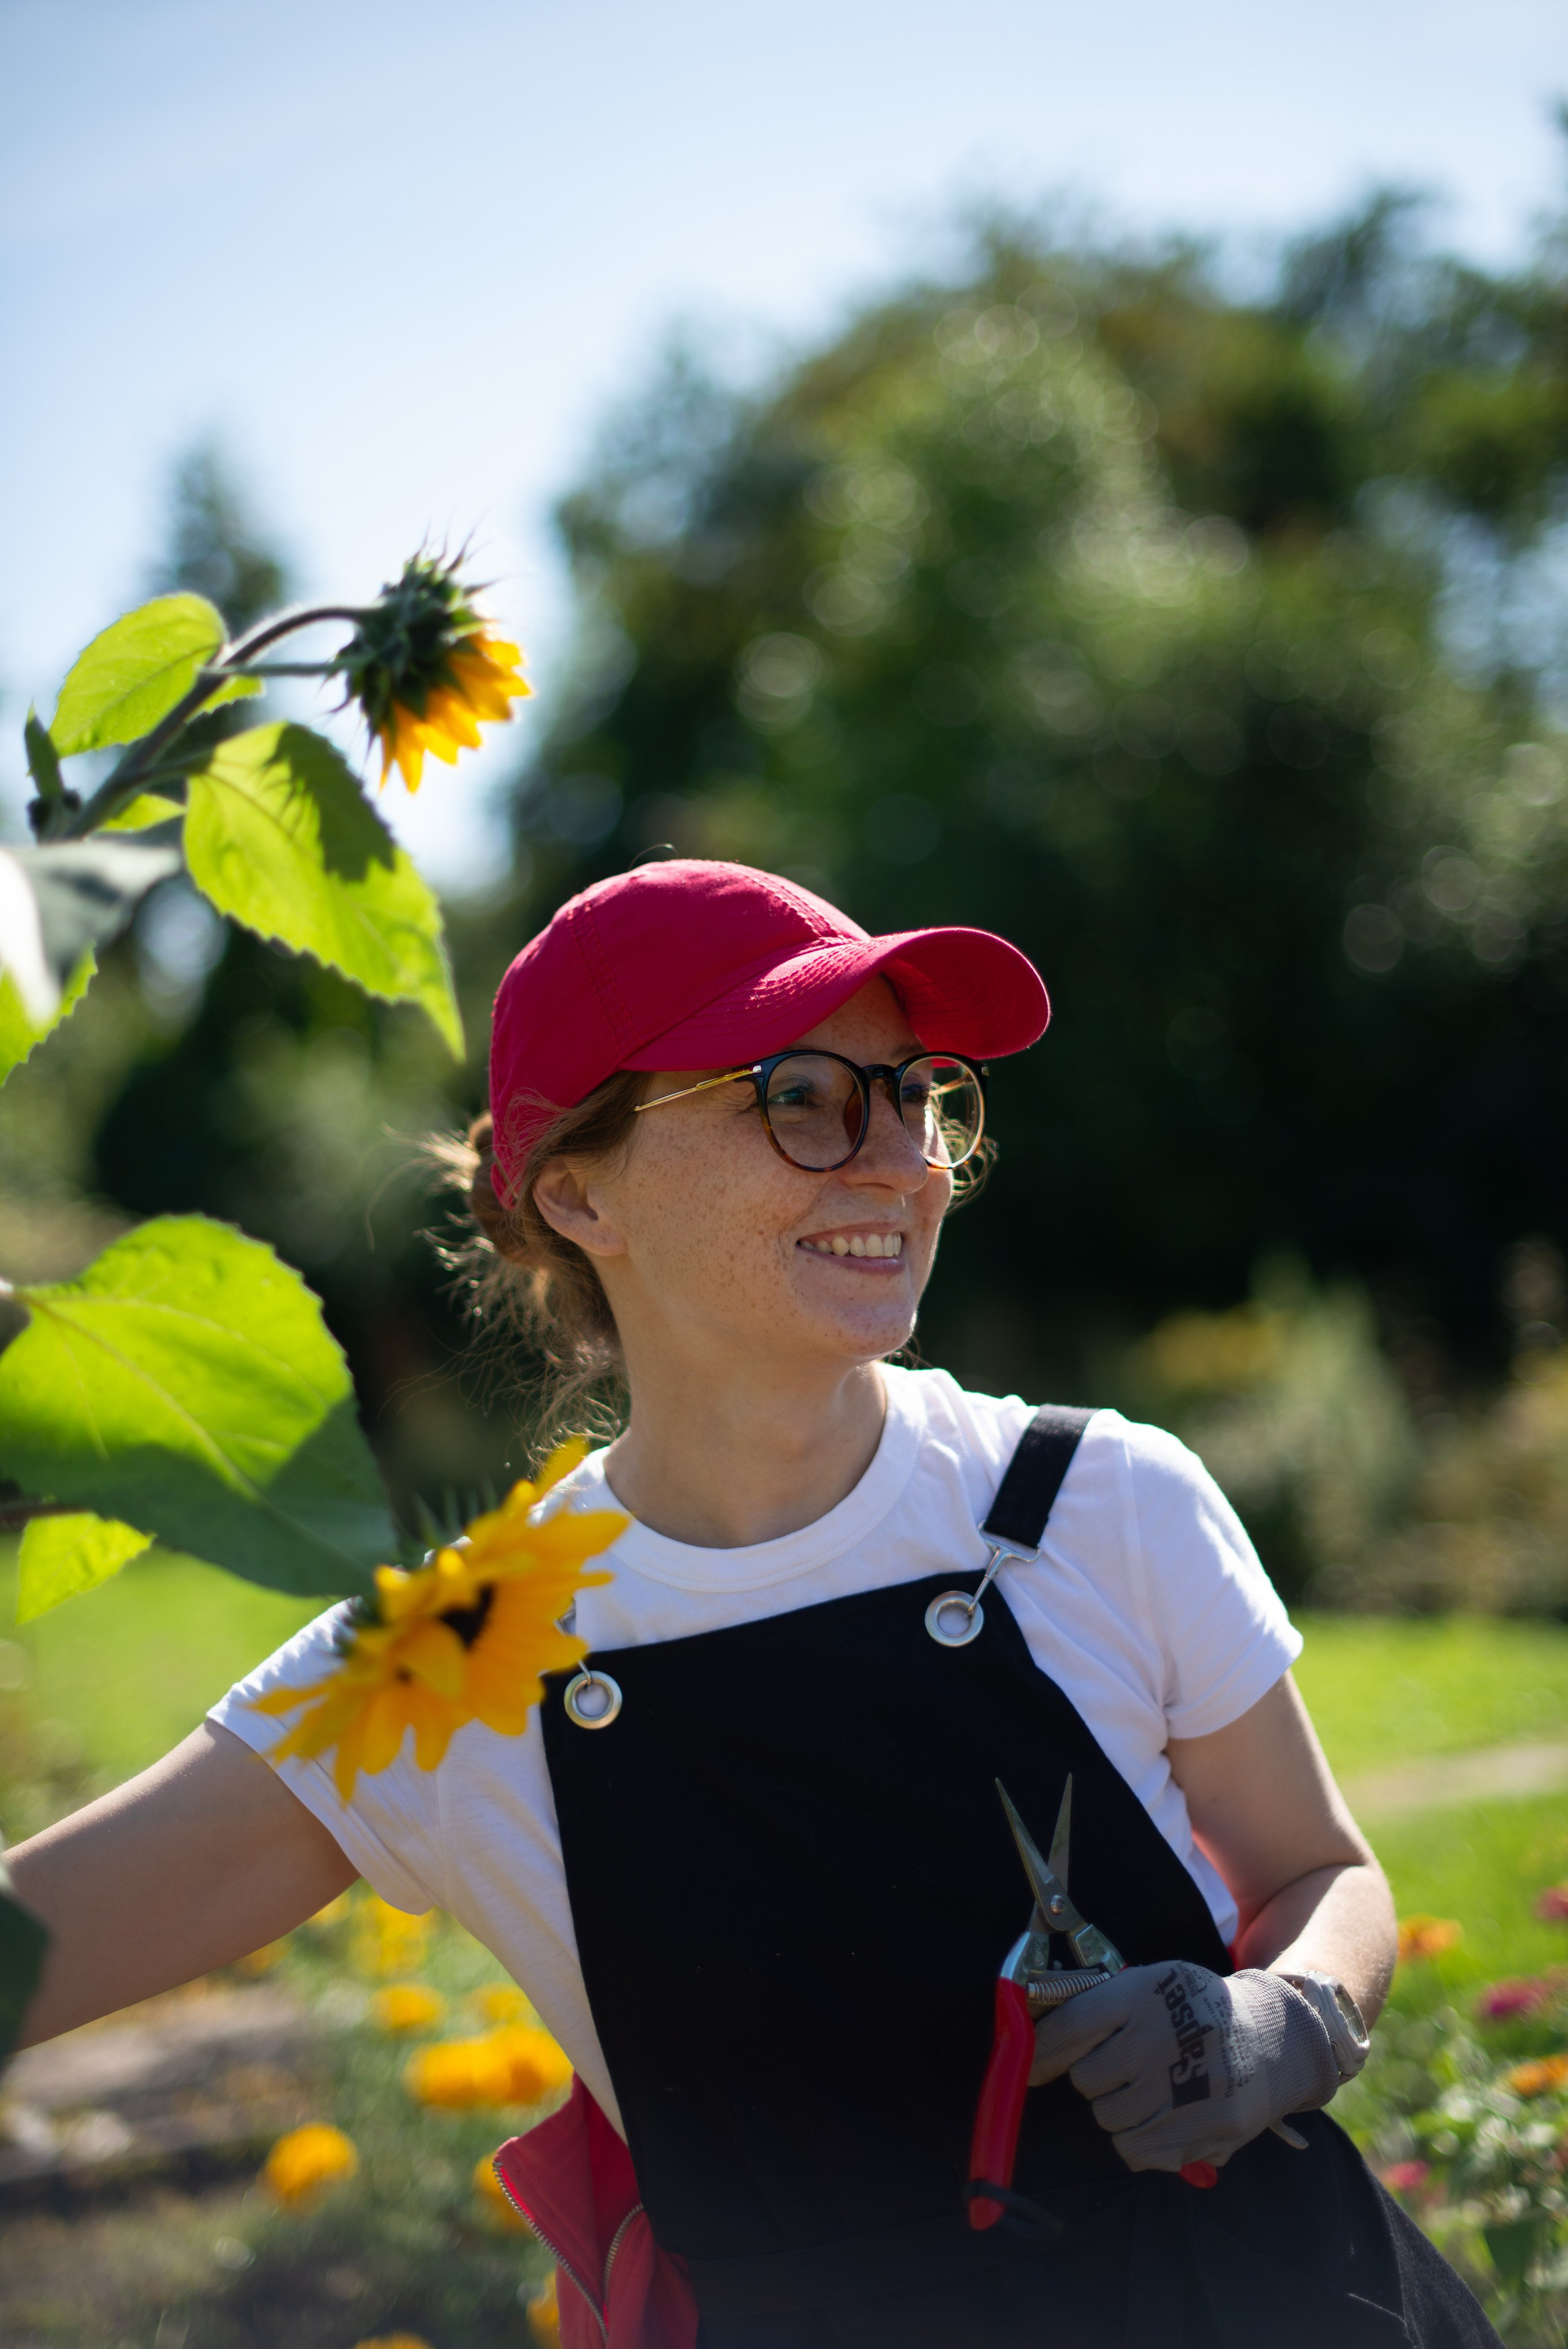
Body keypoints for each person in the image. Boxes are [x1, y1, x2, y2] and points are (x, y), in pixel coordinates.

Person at [10, 859, 1498, 2348]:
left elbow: (1318, 1872)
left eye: (913, 1093)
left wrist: (1287, 2021)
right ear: (579, 1191)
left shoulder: (1093, 1500)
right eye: (797, 1095)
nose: (899, 1159)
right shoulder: (451, 1660)